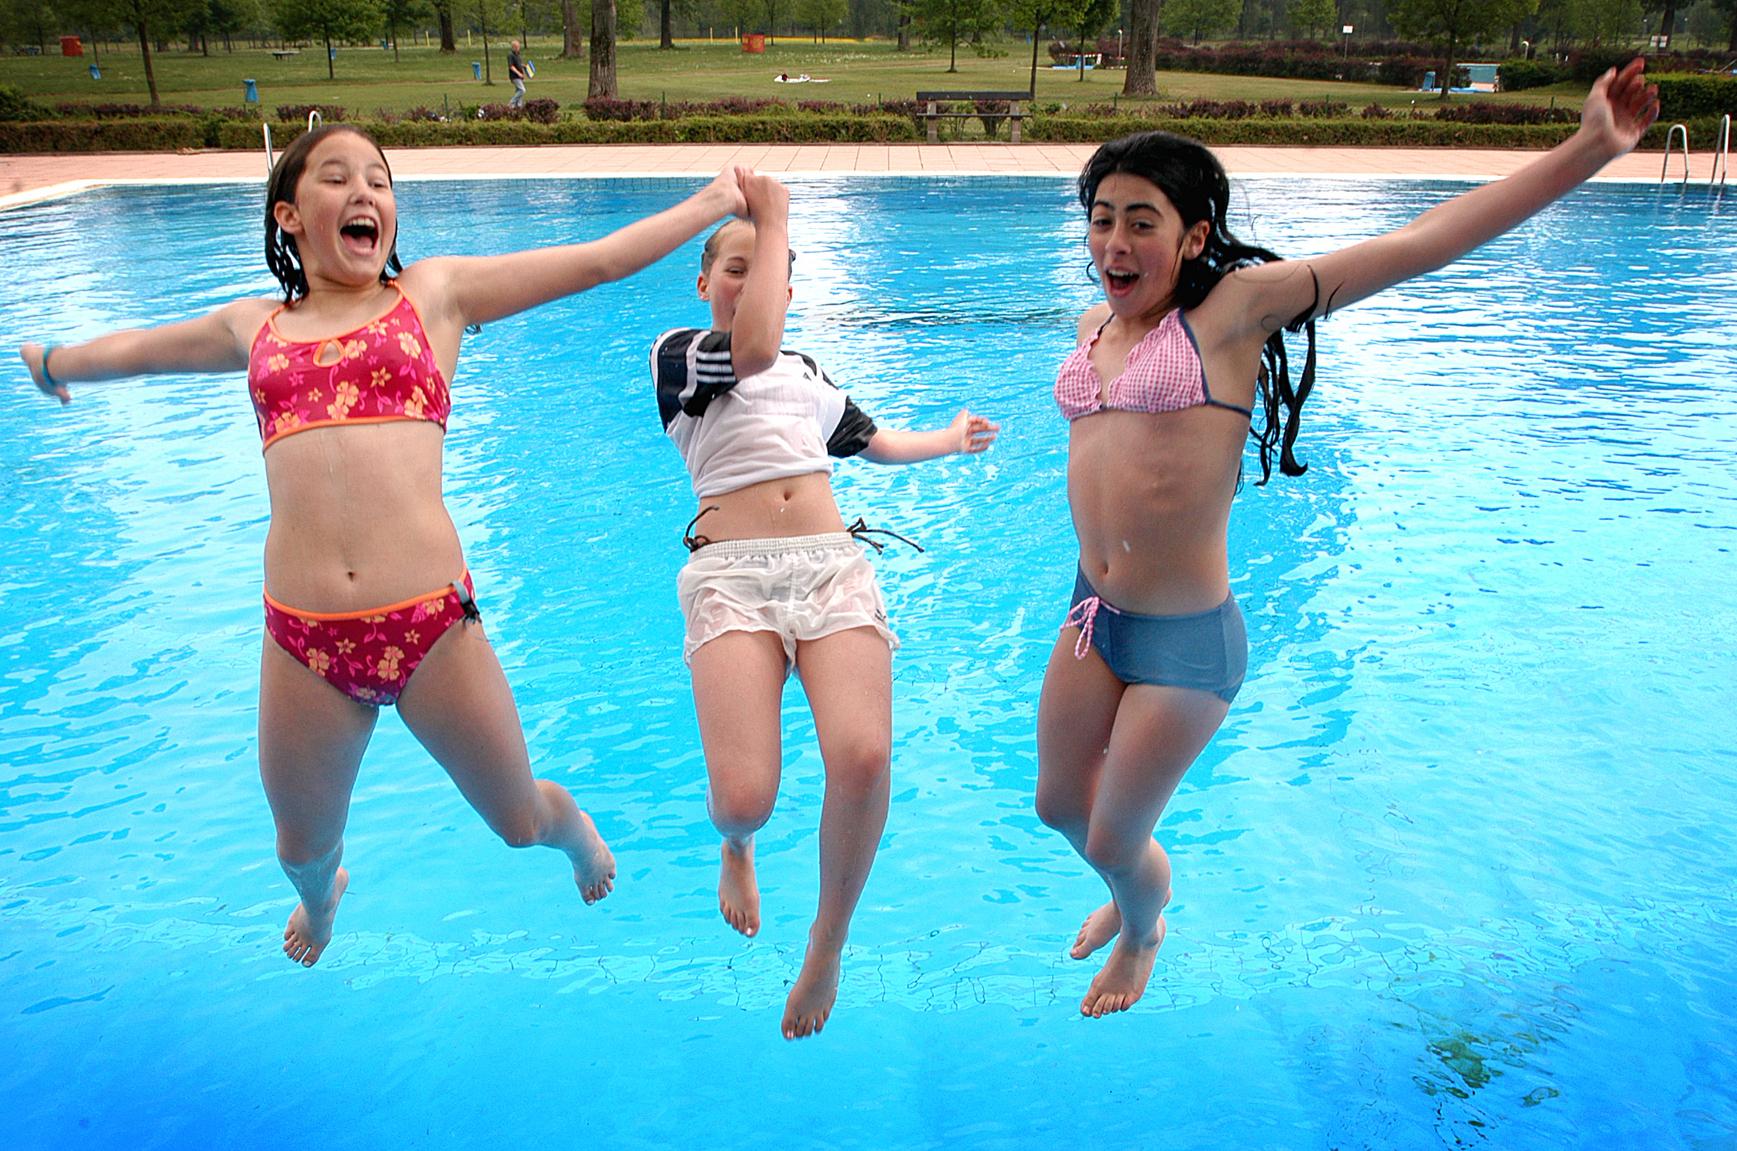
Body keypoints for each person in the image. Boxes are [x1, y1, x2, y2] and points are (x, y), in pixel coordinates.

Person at [18, 125, 751, 969]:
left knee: (519, 821)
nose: (366, 192)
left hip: (431, 628)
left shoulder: (432, 297)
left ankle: (573, 834)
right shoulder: (252, 325)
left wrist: (713, 200)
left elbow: (597, 259)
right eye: (339, 178)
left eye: (380, 180)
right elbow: (143, 353)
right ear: (290, 214)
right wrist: (54, 361)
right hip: (303, 641)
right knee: (298, 847)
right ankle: (321, 899)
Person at [1035, 60, 1659, 1017]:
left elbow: (1423, 241)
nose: (1113, 241)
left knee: (1119, 840)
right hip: (1091, 613)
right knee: (1058, 808)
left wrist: (1586, 149)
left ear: (1193, 235)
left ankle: (1144, 922)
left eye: (1141, 220)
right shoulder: (1093, 326)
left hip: (1181, 643)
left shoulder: (1233, 313)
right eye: (1102, 217)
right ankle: (1128, 892)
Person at [650, 174, 998, 1039]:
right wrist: (773, 220)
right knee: (744, 797)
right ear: (704, 282)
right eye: (734, 266)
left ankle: (827, 940)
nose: (745, 279)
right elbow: (753, 347)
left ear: (788, 286)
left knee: (865, 755)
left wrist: (948, 440)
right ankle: (737, 846)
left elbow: (872, 444)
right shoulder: (679, 353)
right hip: (730, 572)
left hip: (829, 563)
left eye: (762, 267)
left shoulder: (807, 373)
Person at [507, 40, 527, 110]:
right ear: (513, 47)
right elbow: (511, 66)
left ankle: (518, 106)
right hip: (515, 76)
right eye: (517, 47)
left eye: (519, 46)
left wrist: (524, 66)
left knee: (518, 90)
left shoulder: (517, 54)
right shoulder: (510, 55)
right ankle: (511, 103)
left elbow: (518, 64)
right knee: (522, 90)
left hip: (520, 76)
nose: (518, 48)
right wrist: (518, 73)